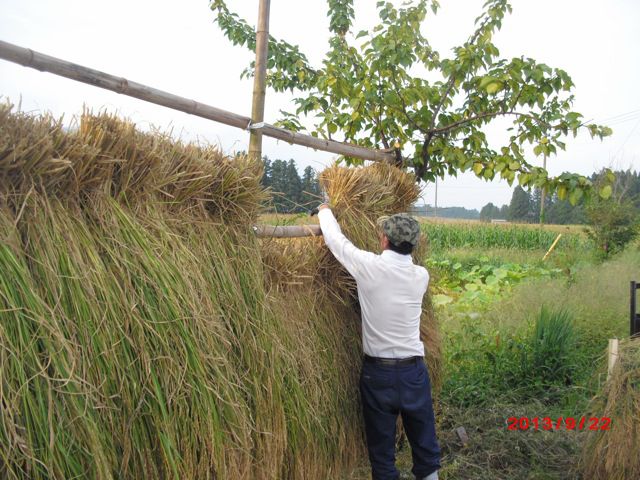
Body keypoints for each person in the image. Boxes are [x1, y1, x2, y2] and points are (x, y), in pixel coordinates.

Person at [317, 204, 440, 480]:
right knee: (425, 449)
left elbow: (337, 242)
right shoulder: (421, 276)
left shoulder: (369, 267)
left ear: (384, 240)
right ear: (414, 244)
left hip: (378, 376)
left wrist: (325, 210)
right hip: (413, 374)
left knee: (383, 458)